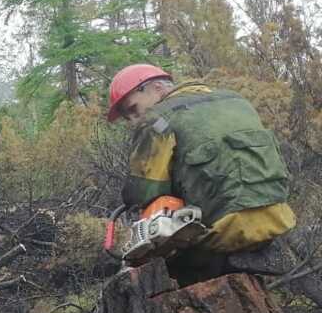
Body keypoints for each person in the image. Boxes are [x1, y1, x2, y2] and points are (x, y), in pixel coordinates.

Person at [108, 63, 296, 285]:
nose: (133, 120)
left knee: (160, 219)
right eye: (126, 117)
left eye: (132, 109)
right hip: (277, 220)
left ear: (156, 87)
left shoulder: (157, 119)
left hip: (221, 231)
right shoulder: (237, 101)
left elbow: (143, 192)